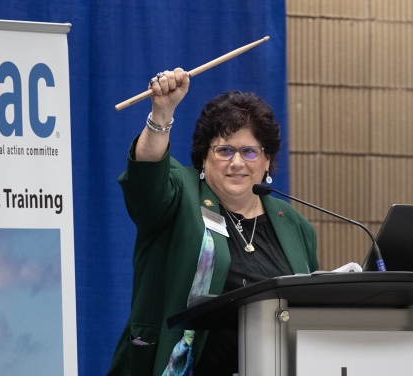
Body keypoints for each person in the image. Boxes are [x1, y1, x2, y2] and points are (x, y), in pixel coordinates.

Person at [107, 68, 318, 376]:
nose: (236, 162)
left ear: (267, 160)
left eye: (249, 151)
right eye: (224, 150)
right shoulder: (181, 194)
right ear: (204, 157)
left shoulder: (295, 225)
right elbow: (146, 180)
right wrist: (161, 114)